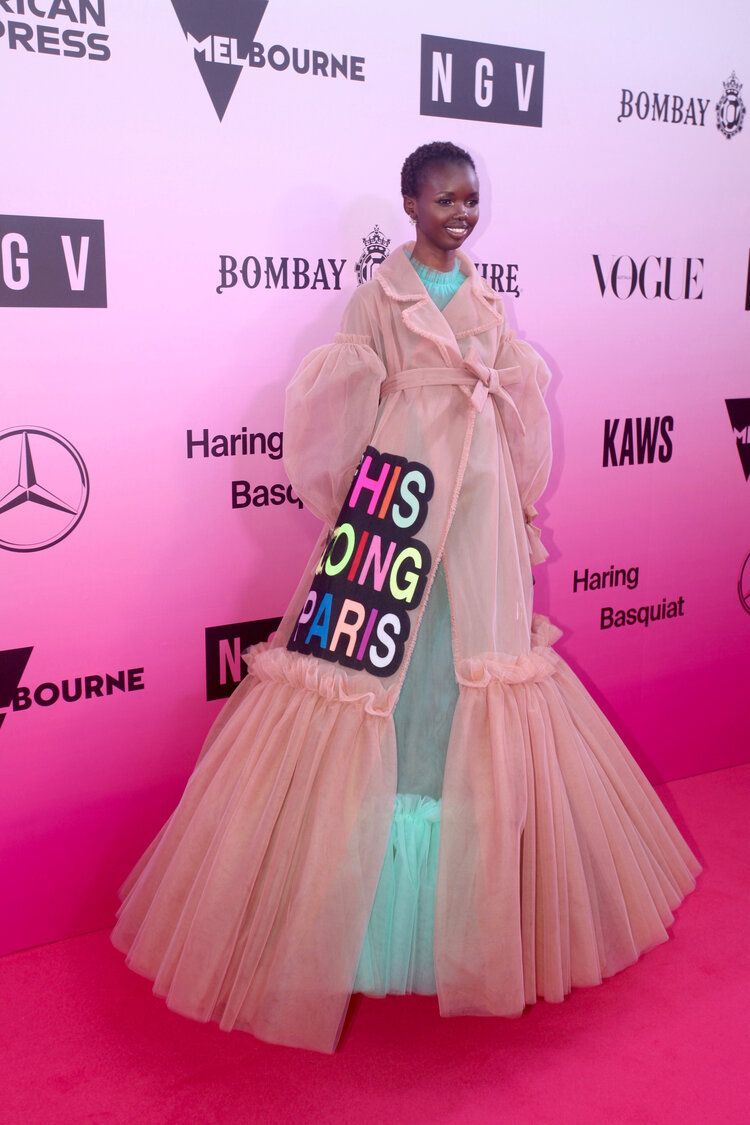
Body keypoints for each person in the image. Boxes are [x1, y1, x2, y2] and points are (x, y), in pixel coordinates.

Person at [111, 141, 701, 1054]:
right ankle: (350, 909)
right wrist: (350, 506)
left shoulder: (489, 302)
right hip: (397, 512)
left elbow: (519, 415)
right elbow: (337, 415)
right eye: (445, 199)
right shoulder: (376, 300)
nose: (462, 214)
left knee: (470, 676)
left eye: (471, 199)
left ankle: (463, 914)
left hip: (478, 519)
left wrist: (511, 504)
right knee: (373, 670)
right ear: (410, 205)